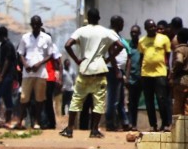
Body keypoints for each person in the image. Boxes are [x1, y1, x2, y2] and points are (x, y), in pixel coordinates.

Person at [61, 8, 120, 138]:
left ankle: (70, 129)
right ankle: (94, 130)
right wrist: (108, 59)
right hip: (99, 71)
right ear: (99, 18)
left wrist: (77, 60)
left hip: (85, 71)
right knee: (98, 103)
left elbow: (67, 45)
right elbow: (120, 46)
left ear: (87, 18)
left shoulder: (81, 31)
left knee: (76, 100)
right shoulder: (106, 32)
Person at [16, 15, 54, 130]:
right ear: (31, 25)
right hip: (27, 73)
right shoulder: (25, 38)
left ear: (41, 25)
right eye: (34, 24)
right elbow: (20, 53)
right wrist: (25, 64)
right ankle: (20, 122)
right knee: (24, 98)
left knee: (39, 99)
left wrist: (40, 64)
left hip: (41, 73)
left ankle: (36, 121)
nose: (36, 26)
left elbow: (50, 55)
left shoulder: (47, 38)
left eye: (38, 24)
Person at [138, 18, 172, 132]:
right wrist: (140, 72)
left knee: (161, 99)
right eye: (150, 27)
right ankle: (153, 125)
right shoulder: (142, 41)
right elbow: (141, 57)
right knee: (149, 101)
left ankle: (165, 123)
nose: (153, 29)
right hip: (146, 74)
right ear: (146, 29)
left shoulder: (164, 39)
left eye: (154, 26)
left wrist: (169, 71)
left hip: (160, 73)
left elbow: (168, 56)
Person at [105, 15, 131, 131]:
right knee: (113, 98)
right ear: (117, 23)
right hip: (113, 69)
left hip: (118, 69)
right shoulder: (111, 34)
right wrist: (116, 70)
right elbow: (111, 52)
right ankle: (110, 123)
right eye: (122, 23)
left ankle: (124, 122)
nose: (123, 26)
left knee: (120, 98)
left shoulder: (117, 36)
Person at [126, 24, 143, 129]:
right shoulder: (129, 46)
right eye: (132, 32)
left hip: (140, 78)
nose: (133, 34)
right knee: (131, 102)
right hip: (131, 78)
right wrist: (127, 77)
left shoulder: (142, 45)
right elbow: (128, 61)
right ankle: (131, 123)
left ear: (139, 33)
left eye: (135, 32)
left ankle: (135, 124)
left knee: (136, 102)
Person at [170, 28, 188, 117]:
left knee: (178, 105)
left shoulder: (179, 50)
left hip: (181, 80)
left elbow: (179, 61)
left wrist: (172, 73)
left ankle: (178, 129)